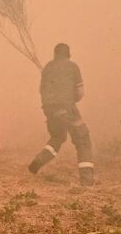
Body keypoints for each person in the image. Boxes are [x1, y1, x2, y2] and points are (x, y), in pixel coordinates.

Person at [28, 43, 94, 184]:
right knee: (83, 139)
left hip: (49, 111)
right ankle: (87, 180)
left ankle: (39, 161)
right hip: (67, 110)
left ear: (55, 54)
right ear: (68, 55)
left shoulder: (47, 68)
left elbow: (42, 90)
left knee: (57, 137)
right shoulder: (73, 66)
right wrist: (70, 100)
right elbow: (80, 93)